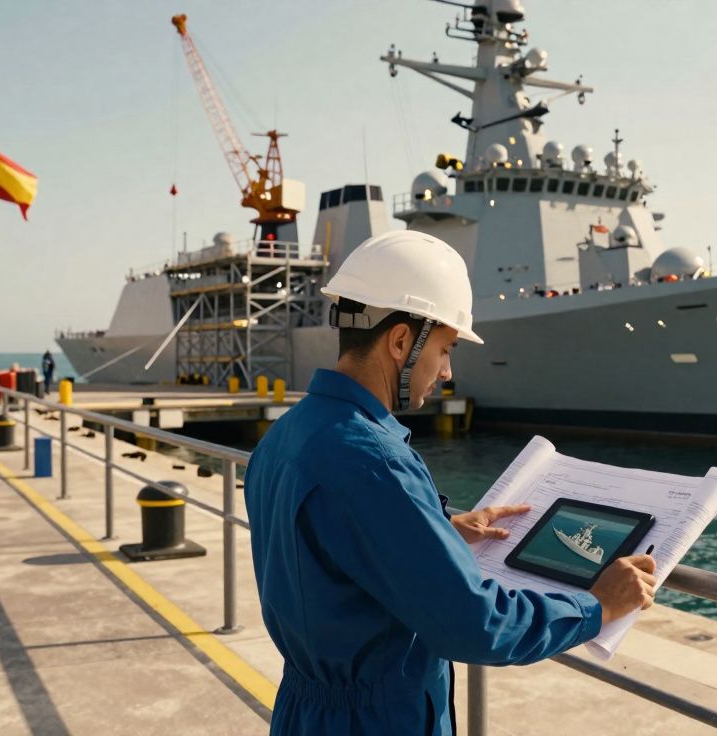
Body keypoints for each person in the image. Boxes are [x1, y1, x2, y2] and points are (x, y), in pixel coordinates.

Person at [244, 231, 656, 735]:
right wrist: (598, 605)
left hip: (305, 712)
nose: (446, 371)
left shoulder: (286, 435)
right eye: (444, 349)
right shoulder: (375, 462)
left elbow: (325, 552)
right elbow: (475, 625)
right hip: (377, 722)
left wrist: (434, 531)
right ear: (400, 341)